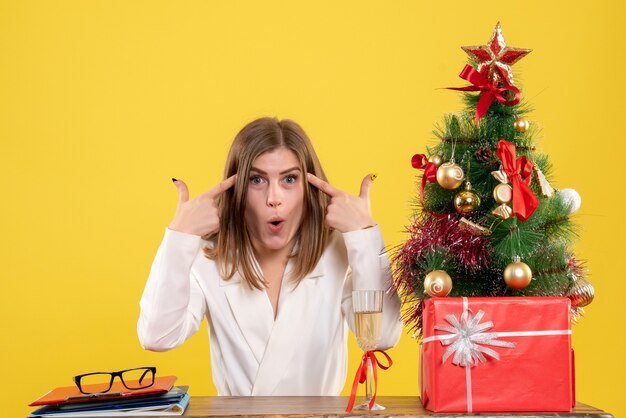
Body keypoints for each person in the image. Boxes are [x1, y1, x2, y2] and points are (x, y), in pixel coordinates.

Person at [137, 117, 402, 396]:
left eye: (289, 179)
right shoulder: (208, 259)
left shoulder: (341, 250)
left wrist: (365, 235)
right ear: (236, 189)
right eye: (257, 180)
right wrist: (180, 236)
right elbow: (157, 335)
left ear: (308, 187)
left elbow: (382, 337)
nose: (274, 198)